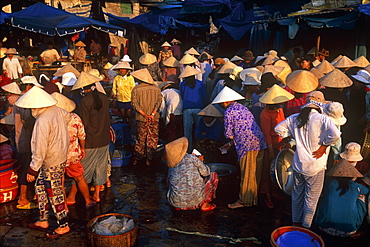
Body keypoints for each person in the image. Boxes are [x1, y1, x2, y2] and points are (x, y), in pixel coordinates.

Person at [274, 91, 341, 228]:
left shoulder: (294, 118)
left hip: (299, 164)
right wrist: (324, 146)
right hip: (316, 165)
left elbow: (278, 129)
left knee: (297, 195)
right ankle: (305, 227)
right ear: (320, 104)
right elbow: (335, 135)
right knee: (311, 199)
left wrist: (291, 135)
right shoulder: (323, 119)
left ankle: (295, 223)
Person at [15, 86, 70, 238]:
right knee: (40, 187)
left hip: (51, 159)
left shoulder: (42, 120)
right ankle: (43, 219)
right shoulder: (56, 110)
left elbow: (39, 148)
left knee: (54, 192)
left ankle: (63, 225)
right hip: (59, 155)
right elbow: (69, 117)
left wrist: (32, 169)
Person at [213, 86, 267, 208]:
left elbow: (229, 134)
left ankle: (244, 201)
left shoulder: (228, 112)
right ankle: (253, 198)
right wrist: (232, 143)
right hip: (259, 141)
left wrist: (230, 141)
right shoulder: (243, 107)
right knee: (255, 172)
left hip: (246, 145)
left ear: (224, 102)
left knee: (247, 173)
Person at [50, 93, 96, 209]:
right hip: (72, 154)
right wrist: (82, 148)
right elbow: (82, 136)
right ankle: (87, 201)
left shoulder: (51, 119)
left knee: (60, 182)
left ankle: (64, 206)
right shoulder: (75, 117)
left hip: (56, 156)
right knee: (79, 178)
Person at [72, 72, 110, 203]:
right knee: (101, 167)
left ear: (83, 88)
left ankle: (73, 196)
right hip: (104, 139)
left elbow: (83, 124)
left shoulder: (84, 101)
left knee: (82, 171)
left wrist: (79, 143)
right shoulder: (104, 98)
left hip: (91, 140)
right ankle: (97, 195)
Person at [259, 84, 294, 208]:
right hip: (270, 145)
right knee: (267, 170)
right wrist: (270, 150)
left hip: (280, 144)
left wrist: (286, 140)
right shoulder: (265, 115)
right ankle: (267, 195)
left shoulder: (280, 110)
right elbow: (266, 134)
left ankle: (275, 191)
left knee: (278, 169)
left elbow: (284, 125)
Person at [315, 160, 368, 238]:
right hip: (348, 230)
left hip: (323, 227)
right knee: (362, 196)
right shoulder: (355, 185)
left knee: (324, 197)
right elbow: (366, 191)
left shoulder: (328, 183)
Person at [166, 137, 218, 212]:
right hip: (195, 203)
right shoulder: (191, 158)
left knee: (169, 178)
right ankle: (205, 204)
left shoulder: (171, 164)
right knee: (213, 175)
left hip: (175, 203)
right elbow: (206, 173)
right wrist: (200, 161)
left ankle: (178, 203)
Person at [131, 68, 163, 166]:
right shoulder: (156, 89)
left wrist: (144, 114)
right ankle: (150, 159)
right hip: (154, 118)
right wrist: (152, 114)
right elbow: (159, 102)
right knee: (152, 138)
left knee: (141, 138)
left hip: (141, 118)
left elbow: (134, 104)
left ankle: (138, 158)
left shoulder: (136, 89)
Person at [179, 66, 207, 152]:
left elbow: (182, 95)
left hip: (187, 109)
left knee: (187, 132)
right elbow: (205, 96)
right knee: (199, 130)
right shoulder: (200, 84)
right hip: (199, 108)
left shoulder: (182, 85)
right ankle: (199, 148)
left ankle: (188, 149)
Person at [112, 61, 135, 125]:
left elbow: (133, 88)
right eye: (121, 69)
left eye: (123, 69)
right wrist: (114, 98)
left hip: (128, 99)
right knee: (122, 114)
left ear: (126, 70)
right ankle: (124, 127)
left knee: (129, 115)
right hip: (120, 99)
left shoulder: (130, 78)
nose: (122, 71)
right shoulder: (117, 78)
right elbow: (114, 88)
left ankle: (130, 128)